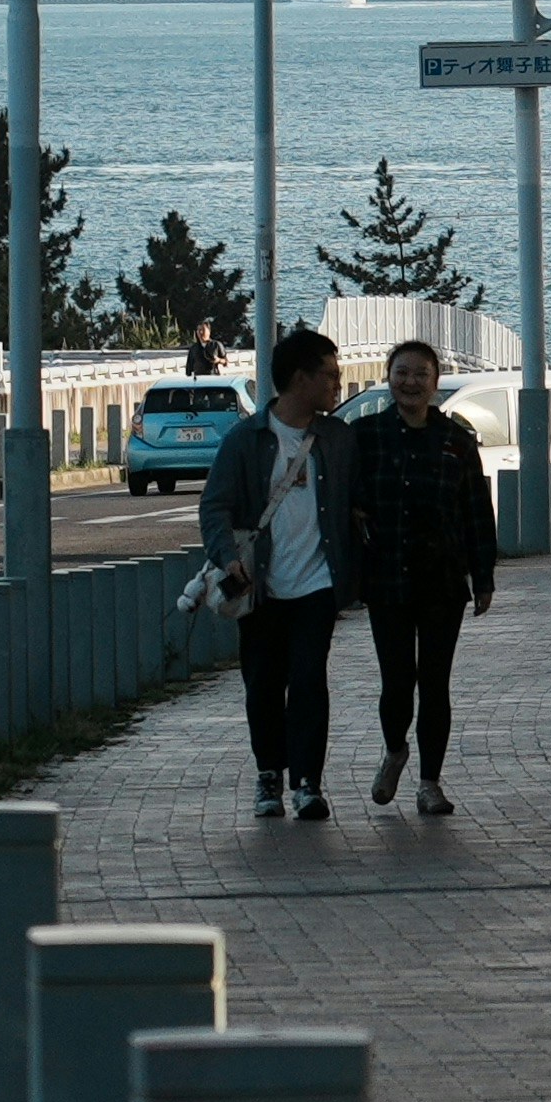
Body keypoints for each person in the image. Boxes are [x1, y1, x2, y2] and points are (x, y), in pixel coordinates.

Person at [207, 324, 360, 822]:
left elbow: (358, 501)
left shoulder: (337, 438)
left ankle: (308, 784)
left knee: (310, 681)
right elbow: (215, 505)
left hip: (317, 585)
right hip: (261, 586)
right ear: (300, 378)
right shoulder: (247, 439)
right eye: (330, 376)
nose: (337, 385)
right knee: (264, 685)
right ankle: (269, 775)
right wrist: (227, 555)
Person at [342, 337, 502, 814]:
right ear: (388, 378)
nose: (410, 382)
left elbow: (476, 510)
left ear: (435, 382)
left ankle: (430, 782)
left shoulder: (456, 440)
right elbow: (344, 493)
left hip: (442, 580)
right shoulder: (364, 435)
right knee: (397, 680)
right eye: (401, 373)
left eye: (420, 374)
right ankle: (395, 751)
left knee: (435, 682)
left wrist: (484, 575)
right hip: (387, 577)